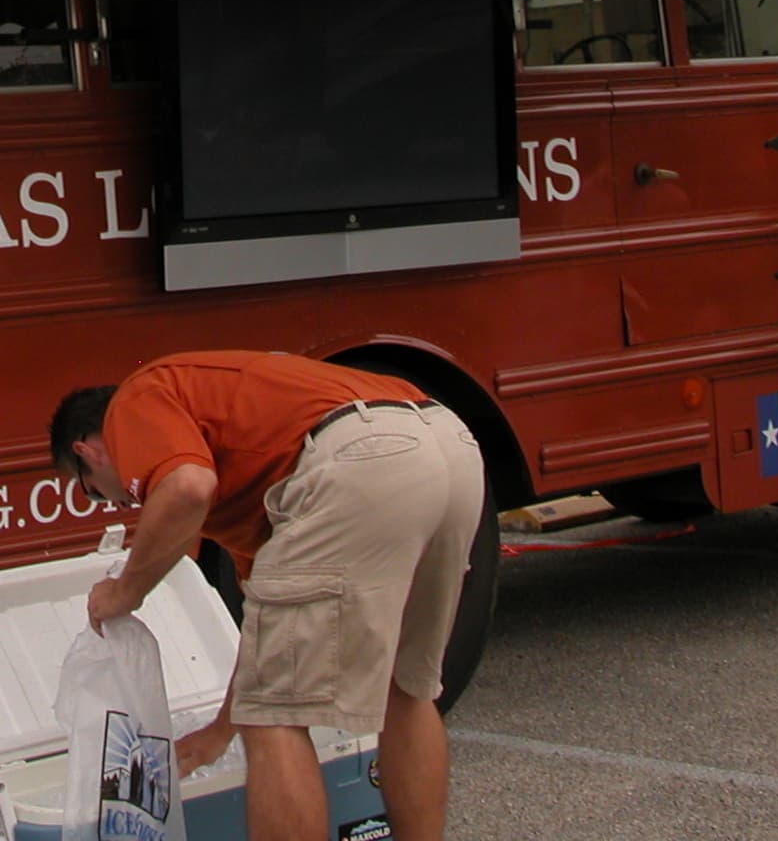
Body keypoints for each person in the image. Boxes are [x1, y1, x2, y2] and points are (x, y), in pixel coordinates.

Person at [50, 351, 486, 841]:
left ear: (89, 452)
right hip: (449, 442)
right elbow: (268, 642)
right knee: (405, 689)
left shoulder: (132, 401)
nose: (117, 503)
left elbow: (188, 487)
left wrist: (122, 593)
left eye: (93, 492)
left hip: (360, 456)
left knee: (276, 719)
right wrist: (221, 731)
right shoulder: (249, 468)